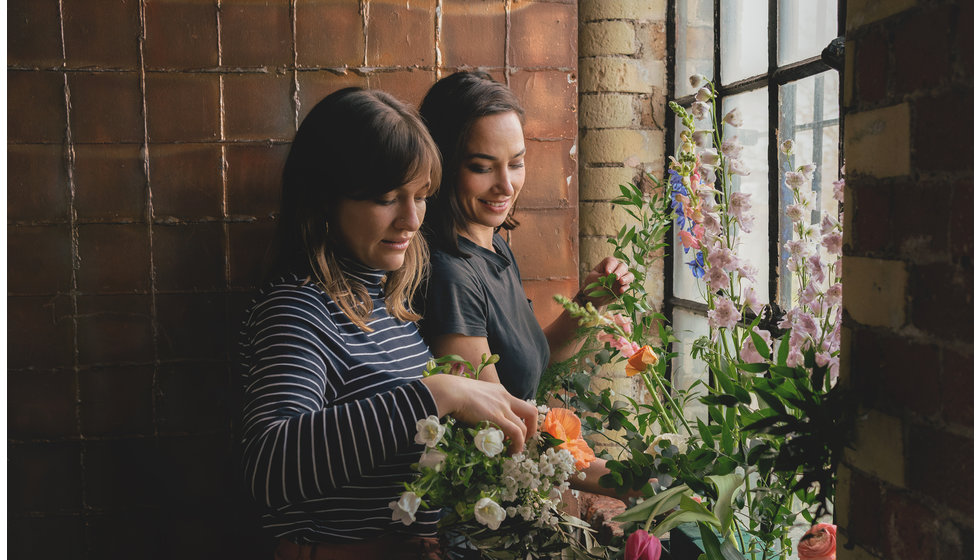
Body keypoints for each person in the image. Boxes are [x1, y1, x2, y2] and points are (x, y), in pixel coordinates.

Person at [239, 87, 538, 559]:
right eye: (387, 199)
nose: (412, 219)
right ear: (325, 198)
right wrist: (439, 393)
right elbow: (269, 466)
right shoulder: (298, 309)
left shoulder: (386, 303)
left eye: (421, 197)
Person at [416, 71, 640, 498]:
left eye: (515, 163)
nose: (506, 185)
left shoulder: (493, 245)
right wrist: (628, 483)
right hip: (481, 511)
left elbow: (527, 363)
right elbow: (505, 429)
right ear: (440, 165)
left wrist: (586, 308)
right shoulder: (450, 274)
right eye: (482, 167)